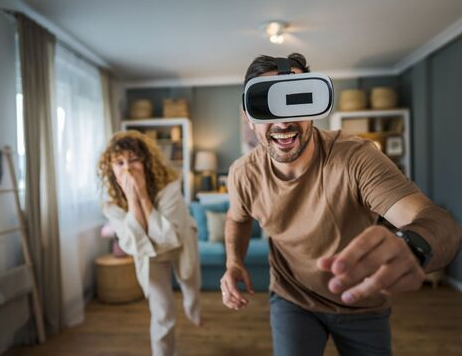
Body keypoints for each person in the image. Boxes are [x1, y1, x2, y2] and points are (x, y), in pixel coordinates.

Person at [220, 53, 462, 356]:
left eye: (295, 101)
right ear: (248, 116)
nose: (283, 121)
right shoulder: (243, 173)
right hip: (292, 298)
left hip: (361, 302)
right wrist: (234, 262)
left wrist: (414, 247)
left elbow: (435, 220)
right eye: (267, 106)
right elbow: (237, 217)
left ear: (314, 107)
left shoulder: (355, 157)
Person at [98, 130, 201, 356]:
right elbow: (132, 243)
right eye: (119, 162)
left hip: (180, 242)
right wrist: (132, 198)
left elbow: (169, 237)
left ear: (146, 161)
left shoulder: (169, 186)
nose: (127, 168)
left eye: (134, 159)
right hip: (150, 254)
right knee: (162, 313)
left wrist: (143, 194)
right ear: (111, 169)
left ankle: (192, 307)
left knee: (190, 284)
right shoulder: (111, 203)